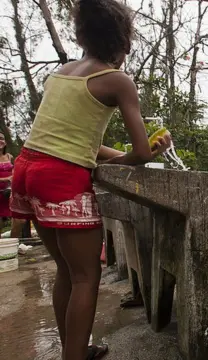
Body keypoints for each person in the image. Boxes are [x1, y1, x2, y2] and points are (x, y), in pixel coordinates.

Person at [9, 0, 172, 359]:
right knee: (86, 276)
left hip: (27, 168)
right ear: (121, 43)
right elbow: (141, 155)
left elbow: (82, 144)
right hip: (60, 178)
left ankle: (75, 349)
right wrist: (151, 152)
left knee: (67, 271)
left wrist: (122, 156)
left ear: (83, 35)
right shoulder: (117, 80)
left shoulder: (63, 72)